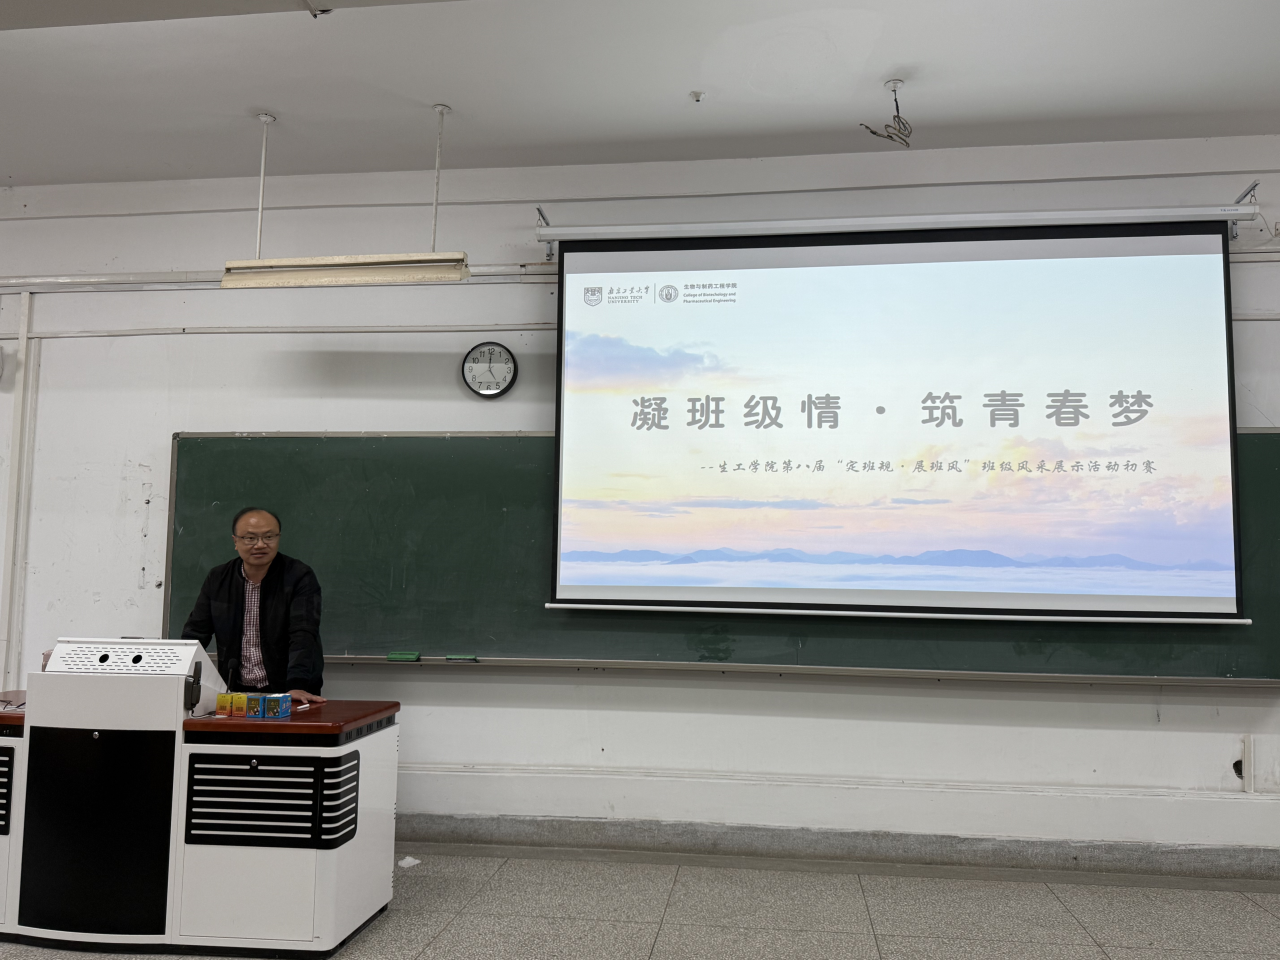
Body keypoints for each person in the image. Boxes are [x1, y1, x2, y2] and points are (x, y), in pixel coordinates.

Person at [182, 507, 326, 703]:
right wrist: (179, 675)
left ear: (278, 538)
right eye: (250, 538)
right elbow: (195, 633)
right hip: (234, 690)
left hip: (288, 690)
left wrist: (296, 684)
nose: (260, 545)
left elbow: (303, 634)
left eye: (269, 537)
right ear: (235, 541)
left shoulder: (299, 576)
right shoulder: (218, 579)